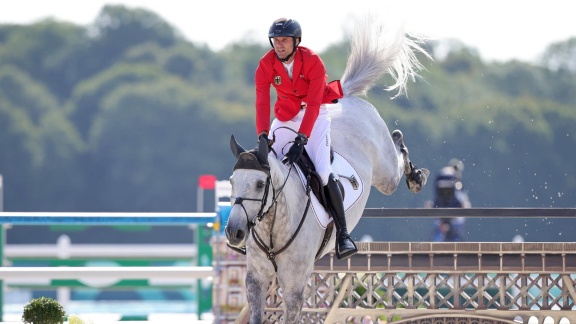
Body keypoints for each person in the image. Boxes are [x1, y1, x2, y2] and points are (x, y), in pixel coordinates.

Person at [254, 18, 357, 259]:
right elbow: (261, 100)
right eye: (276, 41)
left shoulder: (312, 61)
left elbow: (312, 104)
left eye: (284, 40)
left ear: (296, 41)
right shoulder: (265, 64)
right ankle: (254, 228)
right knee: (267, 165)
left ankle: (343, 234)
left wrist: (303, 138)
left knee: (321, 171)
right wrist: (262, 133)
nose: (279, 45)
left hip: (315, 116)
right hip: (285, 117)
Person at [431, 159, 470, 242]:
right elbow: (462, 201)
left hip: (439, 211)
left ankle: (433, 252)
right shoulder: (455, 177)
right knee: (456, 237)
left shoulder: (441, 174)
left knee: (438, 236)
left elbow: (436, 194)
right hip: (454, 214)